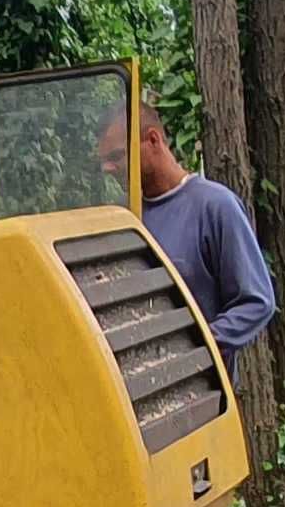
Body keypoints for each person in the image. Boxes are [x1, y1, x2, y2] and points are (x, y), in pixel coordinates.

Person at [104, 106, 275, 360]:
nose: (107, 168)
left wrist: (195, 347)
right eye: (103, 160)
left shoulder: (215, 206)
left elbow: (256, 301)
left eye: (117, 156)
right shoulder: (122, 215)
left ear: (153, 140)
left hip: (198, 390)